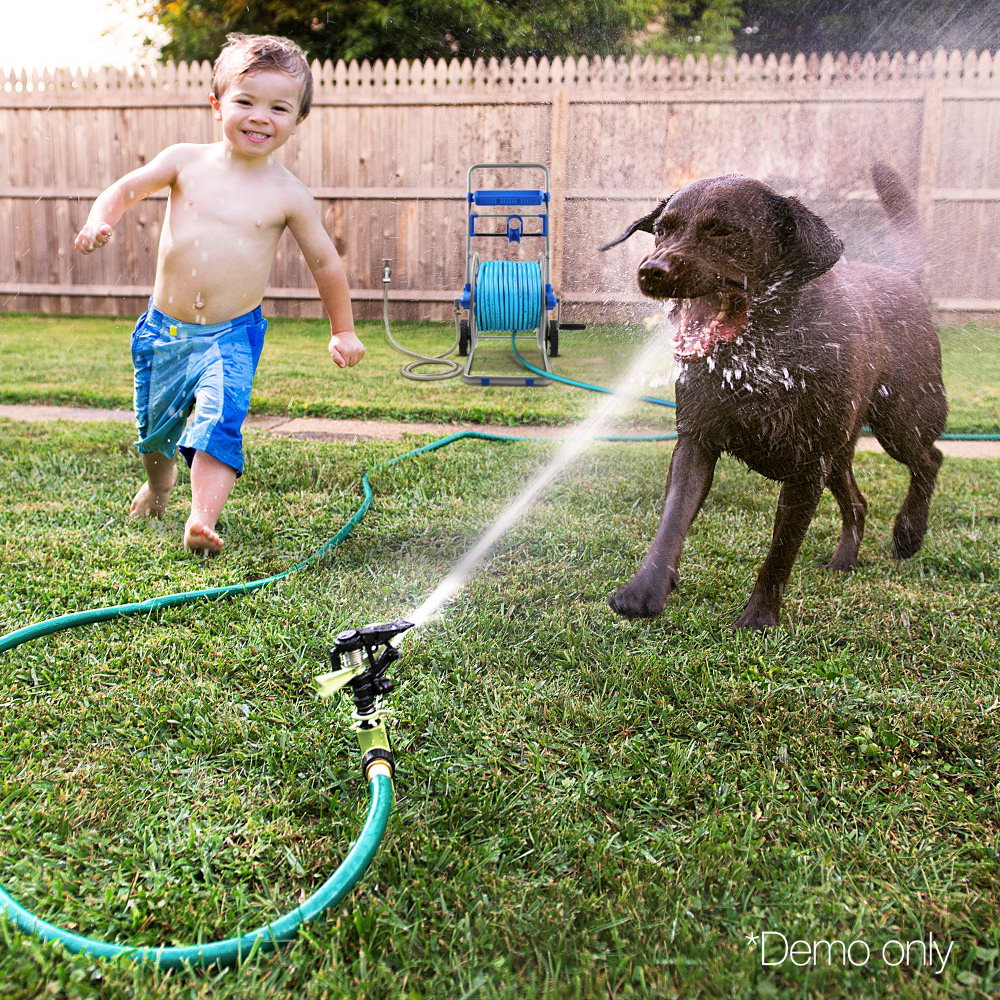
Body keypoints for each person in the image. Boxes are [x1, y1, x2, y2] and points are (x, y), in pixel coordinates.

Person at [74, 33, 364, 554]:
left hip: (232, 335)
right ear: (217, 105)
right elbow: (124, 189)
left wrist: (342, 328)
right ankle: (160, 485)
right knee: (156, 431)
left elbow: (325, 262)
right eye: (245, 101)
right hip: (164, 330)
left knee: (218, 420)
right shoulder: (185, 161)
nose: (260, 116)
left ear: (298, 120)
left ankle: (202, 519)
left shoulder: (289, 195)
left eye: (278, 107)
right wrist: (101, 220)